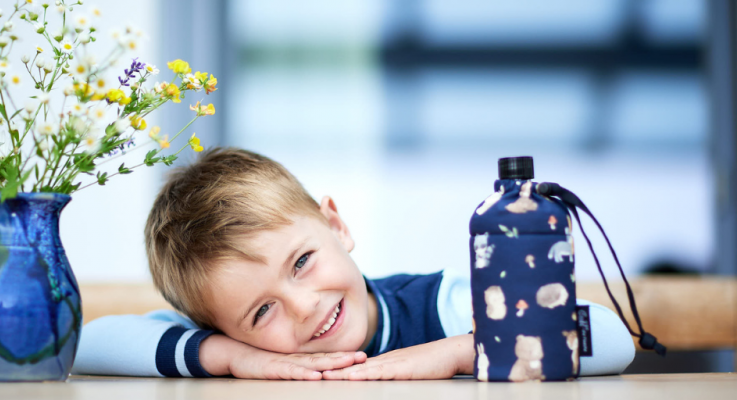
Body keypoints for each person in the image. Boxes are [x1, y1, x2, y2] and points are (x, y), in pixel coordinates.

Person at [71, 148, 635, 380]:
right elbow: (90, 345)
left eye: (302, 262)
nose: (303, 305)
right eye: (260, 311)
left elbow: (613, 339)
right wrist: (228, 356)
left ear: (336, 225)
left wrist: (460, 350)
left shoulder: (444, 307)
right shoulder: (244, 352)